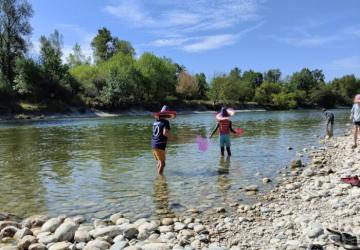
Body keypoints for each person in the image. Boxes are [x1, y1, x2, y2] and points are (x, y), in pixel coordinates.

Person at [151, 105, 176, 175]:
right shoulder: (166, 122)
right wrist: (173, 138)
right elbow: (165, 133)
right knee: (163, 163)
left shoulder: (155, 122)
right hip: (160, 145)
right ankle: (160, 178)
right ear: (167, 114)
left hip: (153, 145)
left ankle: (158, 176)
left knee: (159, 162)